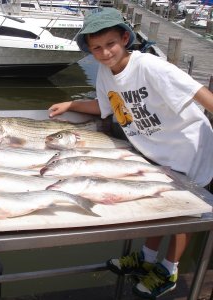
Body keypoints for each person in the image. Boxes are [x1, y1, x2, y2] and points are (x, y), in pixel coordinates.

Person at [48, 7, 213, 300]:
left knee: (180, 213)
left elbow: (200, 93)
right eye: (96, 48)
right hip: (157, 151)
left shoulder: (149, 66)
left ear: (125, 38)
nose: (104, 52)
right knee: (157, 206)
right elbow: (104, 107)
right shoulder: (104, 72)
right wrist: (71, 105)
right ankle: (146, 259)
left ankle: (168, 271)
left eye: (110, 44)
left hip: (188, 149)